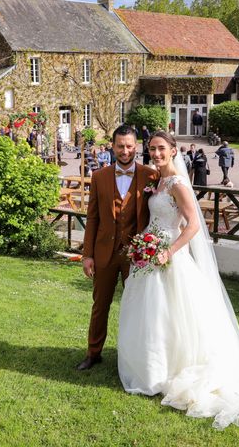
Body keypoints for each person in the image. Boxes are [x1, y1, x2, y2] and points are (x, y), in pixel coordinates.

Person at [117, 131, 239, 430]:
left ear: (174, 150)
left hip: (169, 256)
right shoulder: (158, 181)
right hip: (149, 253)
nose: (156, 153)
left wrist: (169, 251)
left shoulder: (177, 183)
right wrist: (145, 244)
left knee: (171, 314)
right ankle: (150, 368)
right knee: (150, 313)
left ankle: (170, 368)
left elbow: (191, 226)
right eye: (152, 149)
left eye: (162, 149)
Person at [77, 125, 160, 371]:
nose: (125, 151)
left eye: (129, 146)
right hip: (104, 253)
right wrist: (87, 254)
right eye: (120, 146)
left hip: (136, 256)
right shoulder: (99, 176)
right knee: (100, 305)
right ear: (112, 146)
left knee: (137, 308)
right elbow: (92, 218)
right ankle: (93, 353)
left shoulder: (150, 176)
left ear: (137, 147)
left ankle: (134, 357)